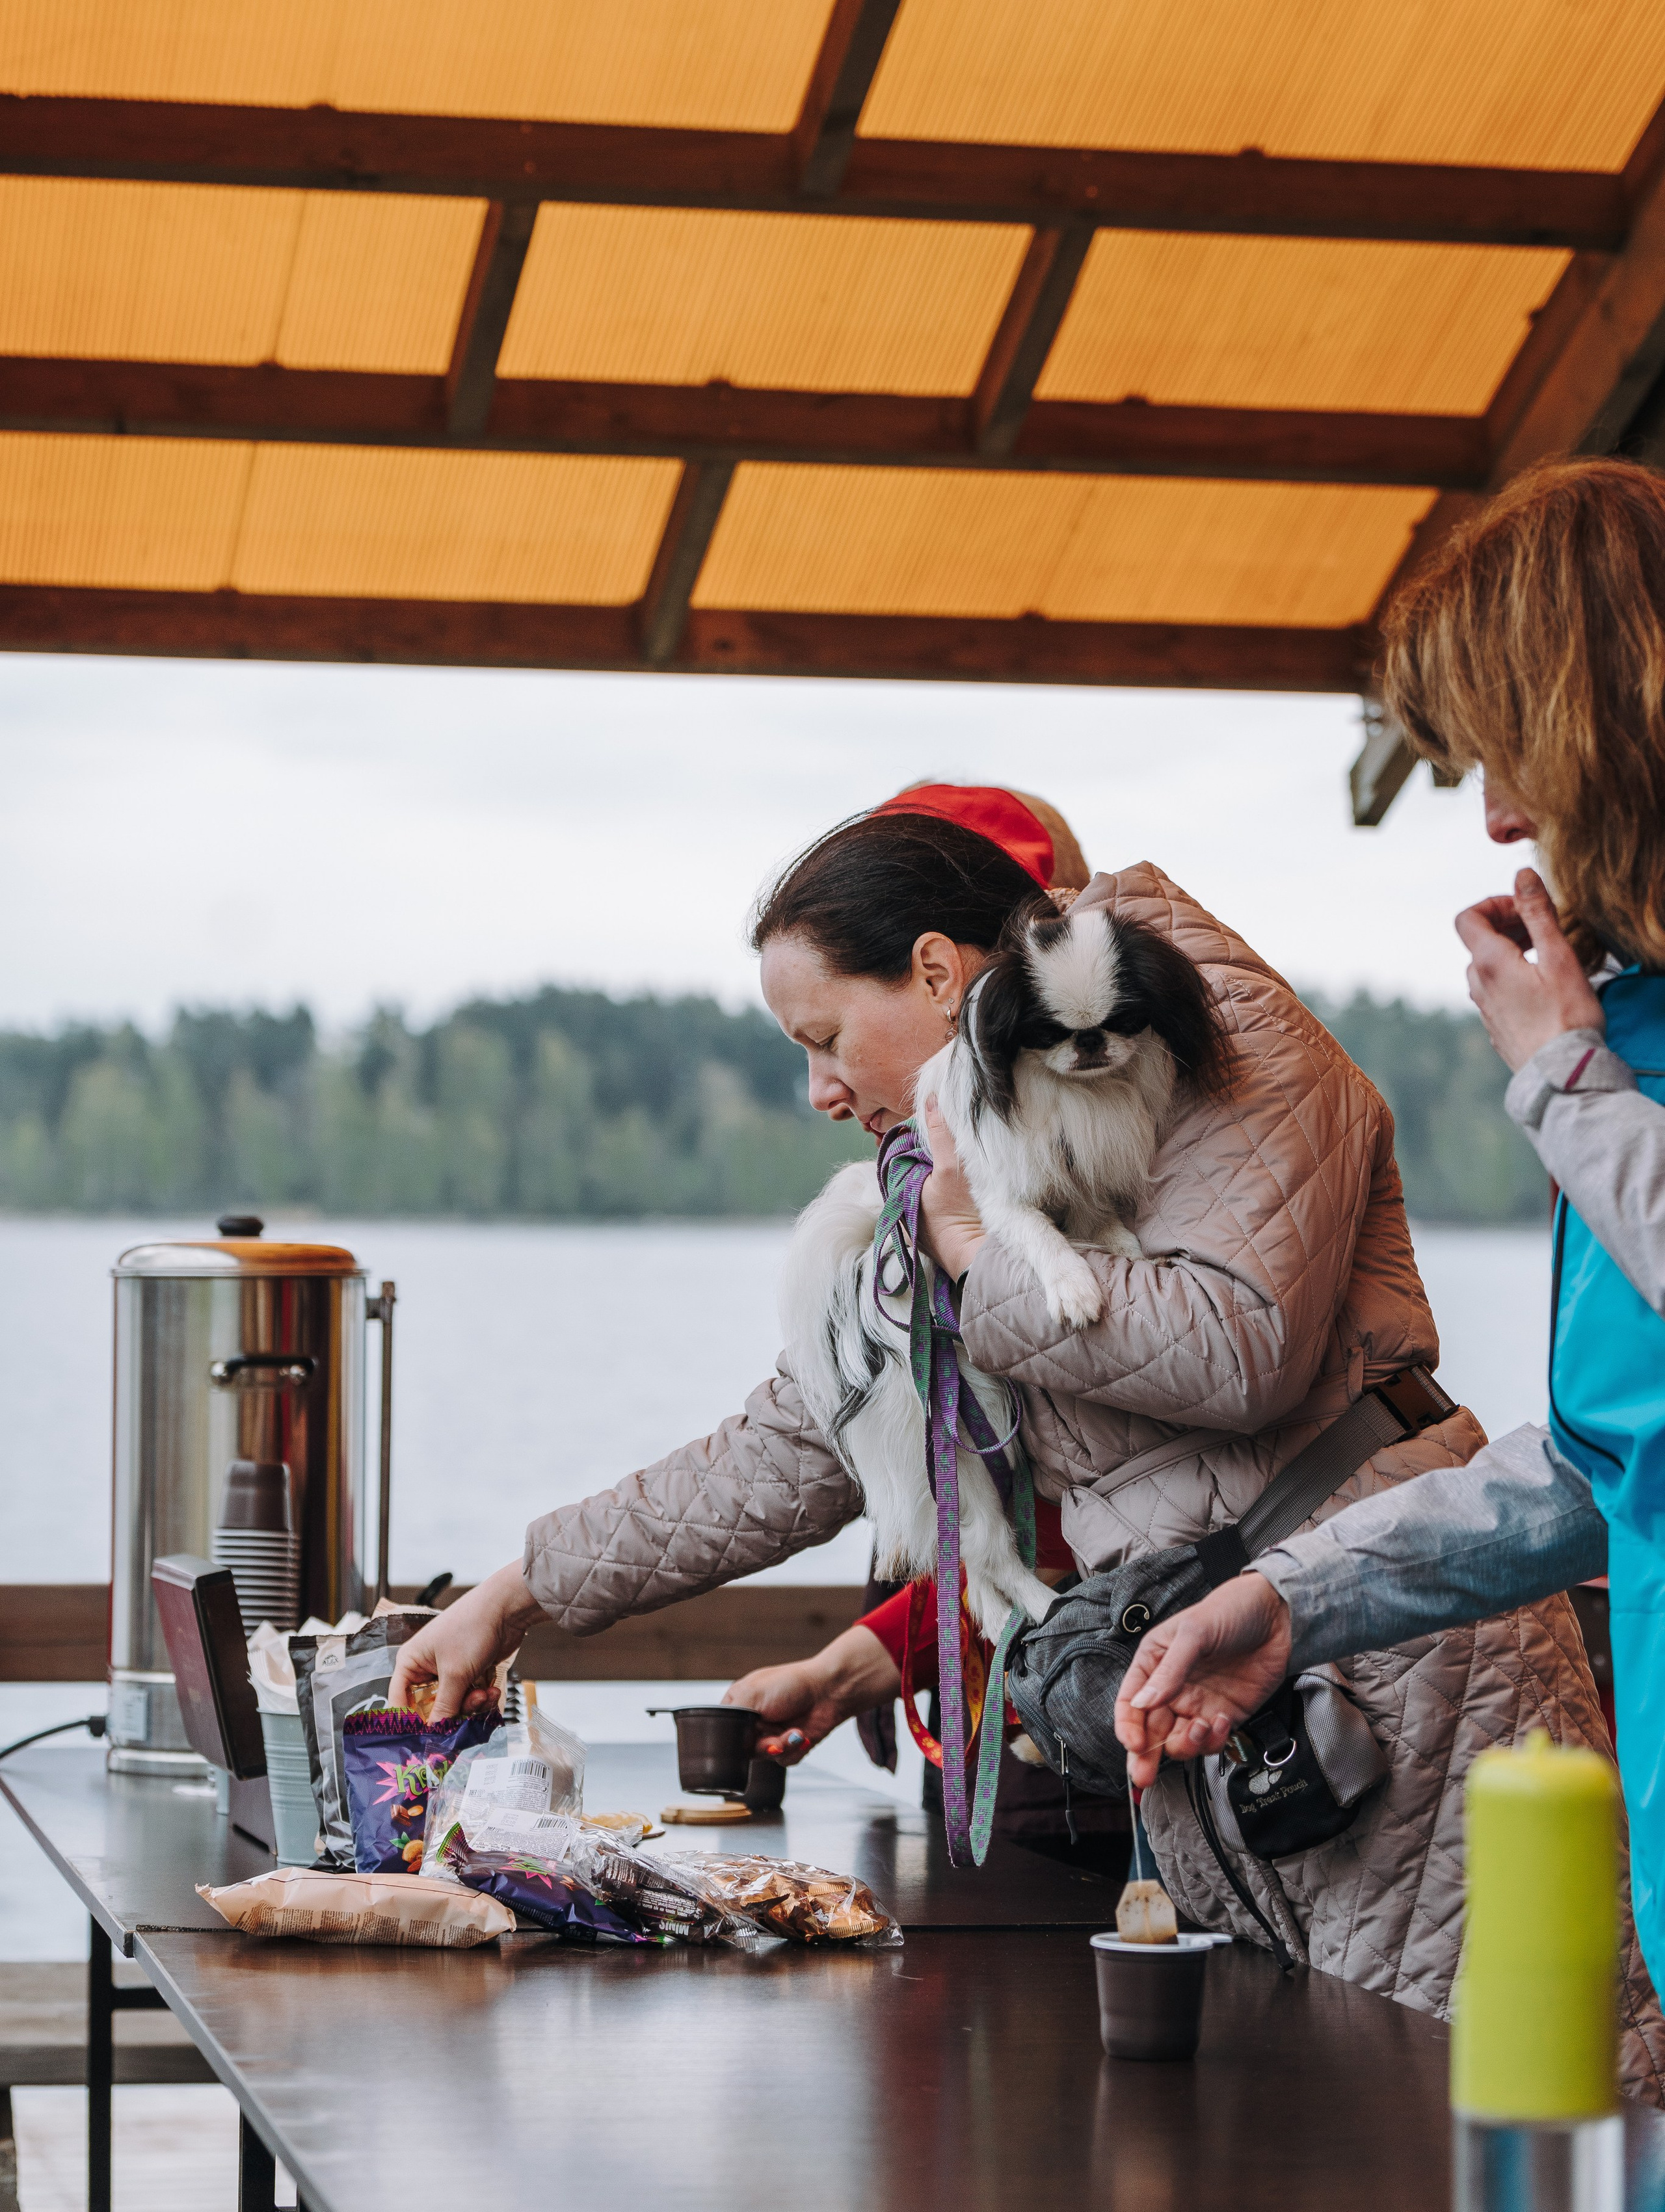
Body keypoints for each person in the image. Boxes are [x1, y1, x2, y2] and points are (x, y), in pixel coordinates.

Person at [388, 771, 1660, 2079]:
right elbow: (802, 1437)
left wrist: (970, 1251)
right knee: (1304, 2128)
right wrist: (516, 1591)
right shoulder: (960, 1153)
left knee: (1544, 2098)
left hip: (1404, 1680)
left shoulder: (1209, 1015)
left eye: (825, 1037)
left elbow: (1242, 1345)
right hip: (1219, 1720)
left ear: (939, 974)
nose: (819, 1088)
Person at [1115, 456, 1665, 2010]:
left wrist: (1562, 1082)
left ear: (1613, 716)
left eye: (1506, 746)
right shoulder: (1621, 1038)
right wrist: (1294, 1597)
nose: (1493, 813)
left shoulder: (1588, 1069)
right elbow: (1604, 1460)